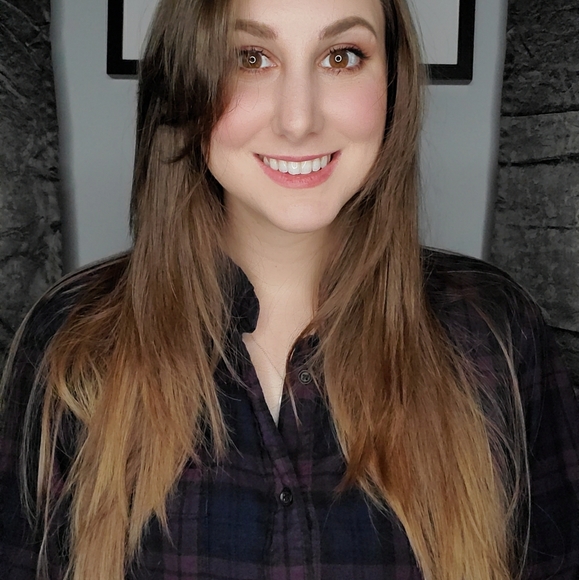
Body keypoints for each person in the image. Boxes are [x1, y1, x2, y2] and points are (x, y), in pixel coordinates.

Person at [1, 0, 578, 578]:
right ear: (182, 82)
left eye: (342, 57)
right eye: (250, 58)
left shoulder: (494, 335)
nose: (299, 120)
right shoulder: (72, 341)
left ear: (393, 84)